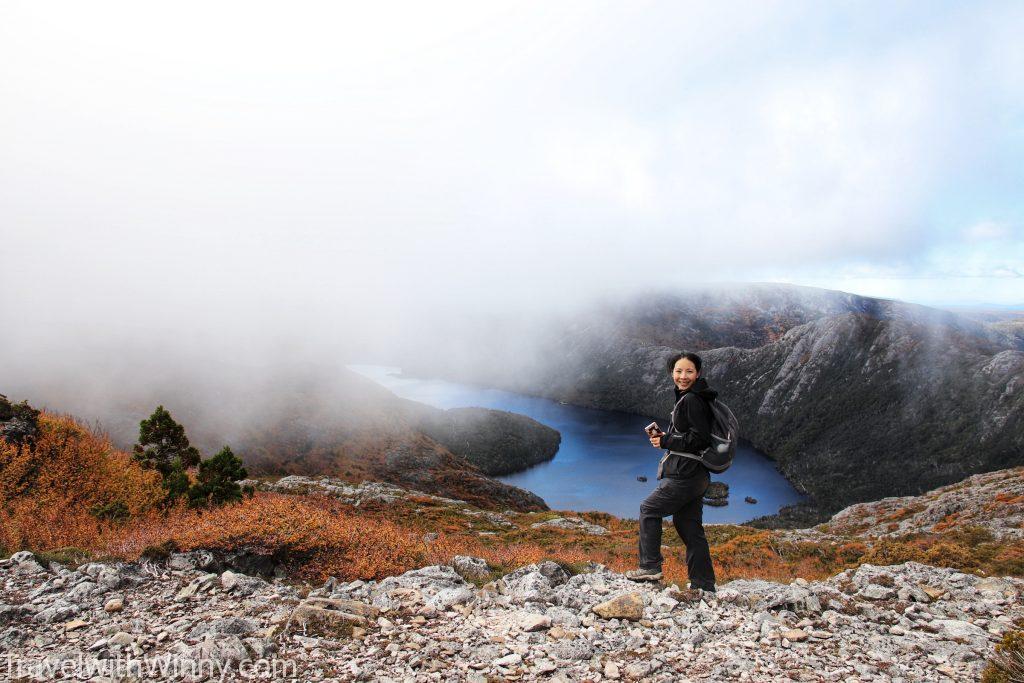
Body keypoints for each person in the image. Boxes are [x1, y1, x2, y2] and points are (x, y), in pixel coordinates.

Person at [625, 351, 717, 591]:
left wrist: (666, 441)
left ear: (698, 373)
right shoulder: (696, 396)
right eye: (678, 371)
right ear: (671, 373)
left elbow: (700, 439)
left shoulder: (692, 400)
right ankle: (704, 585)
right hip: (698, 474)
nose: (682, 376)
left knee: (649, 509)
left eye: (688, 371)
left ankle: (650, 567)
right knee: (689, 527)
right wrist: (668, 440)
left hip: (685, 475)